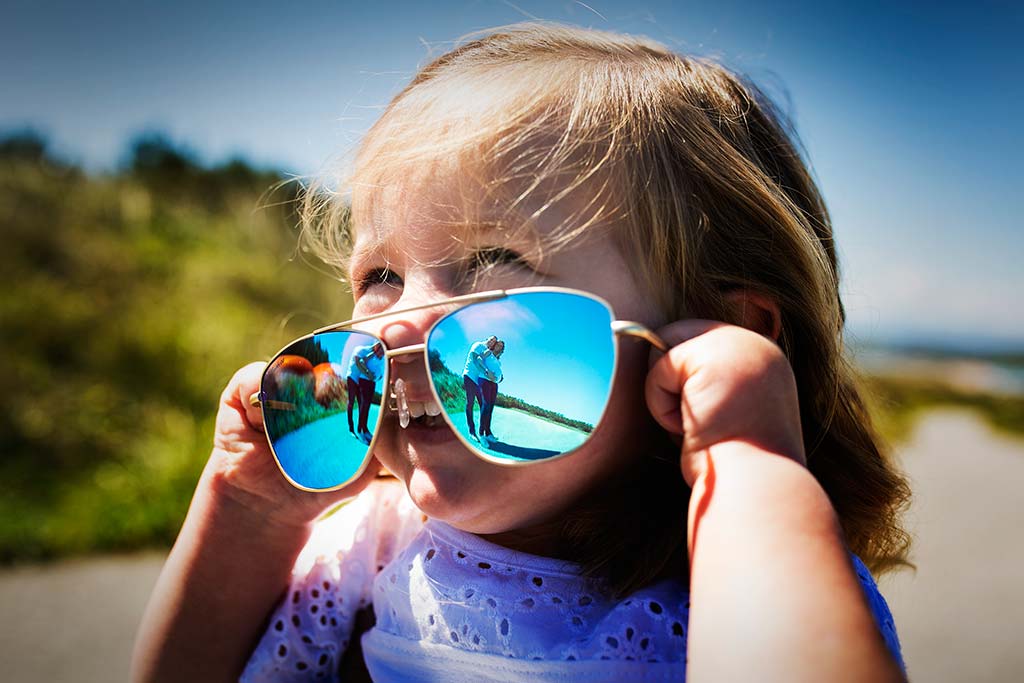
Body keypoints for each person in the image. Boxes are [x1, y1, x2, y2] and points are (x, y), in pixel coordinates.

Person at [132, 23, 913, 682]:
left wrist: (747, 462)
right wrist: (248, 508)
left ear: (715, 332)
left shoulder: (742, 570)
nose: (399, 325)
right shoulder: (368, 544)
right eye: (380, 275)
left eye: (488, 267)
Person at [461, 335, 498, 441]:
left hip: (479, 381)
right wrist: (487, 372)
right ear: (487, 338)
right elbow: (475, 360)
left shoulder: (489, 352)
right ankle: (471, 431)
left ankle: (487, 432)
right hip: (470, 377)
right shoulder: (478, 345)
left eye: (494, 342)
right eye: (491, 339)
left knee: (484, 405)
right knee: (470, 403)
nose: (491, 342)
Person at [346, 341, 384, 442]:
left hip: (361, 380)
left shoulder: (373, 354)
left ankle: (362, 428)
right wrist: (369, 374)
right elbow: (358, 363)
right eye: (381, 350)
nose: (382, 354)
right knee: (351, 402)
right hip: (353, 378)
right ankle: (351, 428)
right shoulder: (360, 349)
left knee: (361, 405)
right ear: (377, 346)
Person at [478, 340, 504, 444]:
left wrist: (500, 377)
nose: (499, 347)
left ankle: (488, 433)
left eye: (501, 346)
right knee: (485, 405)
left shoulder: (498, 359)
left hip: (494, 384)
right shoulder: (488, 352)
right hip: (484, 380)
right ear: (494, 345)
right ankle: (481, 434)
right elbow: (479, 359)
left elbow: (497, 371)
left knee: (490, 407)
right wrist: (487, 372)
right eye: (498, 345)